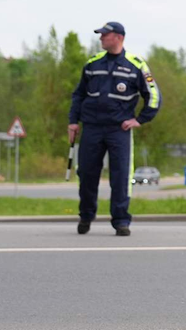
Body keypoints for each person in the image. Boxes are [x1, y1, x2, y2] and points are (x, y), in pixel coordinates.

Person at [68, 21, 161, 236]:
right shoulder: (93, 63)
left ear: (118, 37)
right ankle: (86, 216)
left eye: (104, 35)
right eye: (100, 35)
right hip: (91, 127)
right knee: (87, 174)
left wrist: (140, 119)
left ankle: (121, 220)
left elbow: (154, 95)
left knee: (120, 176)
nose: (100, 38)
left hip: (119, 130)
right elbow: (78, 95)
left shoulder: (136, 64)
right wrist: (73, 121)